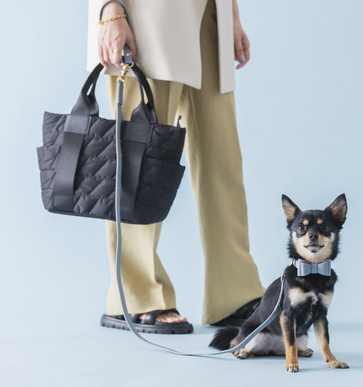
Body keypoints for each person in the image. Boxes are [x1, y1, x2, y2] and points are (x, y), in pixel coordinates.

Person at [86, 0, 265, 334]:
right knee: (141, 156)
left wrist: (231, 15)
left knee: (222, 159)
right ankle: (135, 295)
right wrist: (110, 9)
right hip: (146, 15)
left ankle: (234, 292)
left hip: (210, 14)